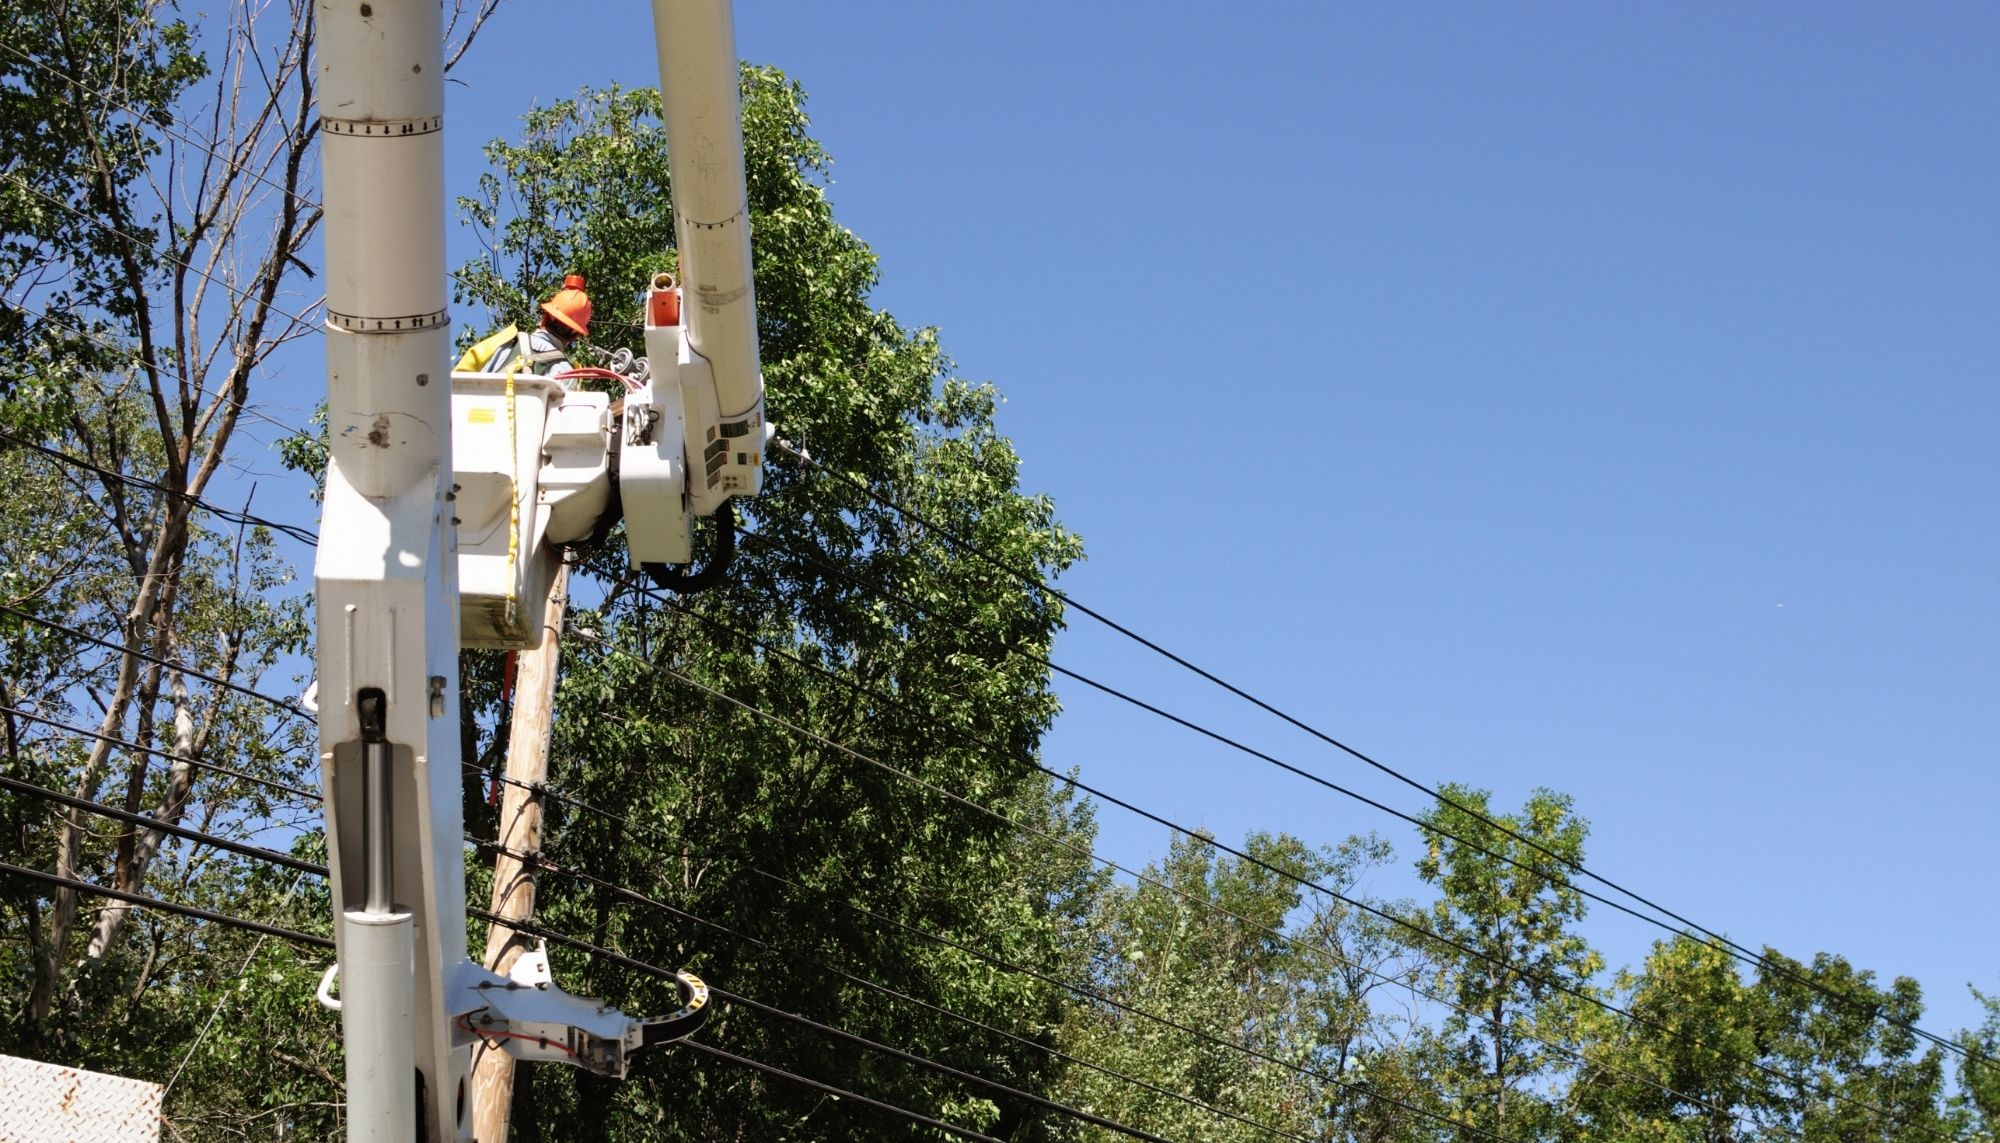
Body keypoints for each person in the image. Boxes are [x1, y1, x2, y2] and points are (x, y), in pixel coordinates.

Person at [456, 273, 592, 380]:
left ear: (545, 317)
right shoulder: (565, 371)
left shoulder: (506, 343)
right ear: (575, 336)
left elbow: (466, 376)